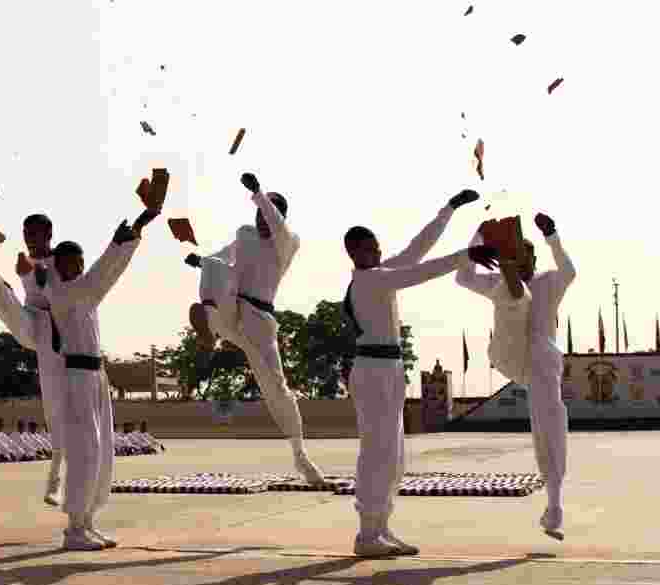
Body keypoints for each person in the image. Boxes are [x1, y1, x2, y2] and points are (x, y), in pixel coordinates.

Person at [343, 188, 496, 557]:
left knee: (395, 453)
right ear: (352, 253)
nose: (376, 253)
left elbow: (417, 249)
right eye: (368, 249)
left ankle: (380, 527)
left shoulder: (379, 273)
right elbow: (423, 271)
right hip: (373, 368)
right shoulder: (368, 280)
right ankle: (366, 533)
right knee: (377, 450)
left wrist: (450, 209)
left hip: (390, 367)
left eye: (376, 248)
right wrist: (465, 254)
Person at [185, 173, 324, 485]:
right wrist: (201, 262)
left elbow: (276, 223)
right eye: (258, 213)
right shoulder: (245, 235)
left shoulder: (286, 243)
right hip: (233, 307)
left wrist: (259, 193)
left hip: (259, 319)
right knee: (215, 268)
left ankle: (300, 455)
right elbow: (223, 256)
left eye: (267, 213)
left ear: (279, 217)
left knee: (276, 387)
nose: (261, 219)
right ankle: (211, 327)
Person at [40, 207, 158, 550]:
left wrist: (127, 237)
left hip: (95, 375)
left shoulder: (83, 293)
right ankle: (74, 529)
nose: (77, 267)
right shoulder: (64, 293)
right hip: (75, 376)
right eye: (71, 262)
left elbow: (105, 274)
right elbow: (105, 274)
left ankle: (87, 521)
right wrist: (122, 239)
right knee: (84, 450)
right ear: (60, 265)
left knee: (102, 450)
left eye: (79, 261)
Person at [456, 212, 575, 539]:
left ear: (532, 258)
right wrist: (476, 240)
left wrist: (553, 236)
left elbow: (570, 271)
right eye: (514, 256)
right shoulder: (496, 281)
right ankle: (514, 294)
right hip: (509, 353)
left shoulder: (549, 282)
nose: (524, 260)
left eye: (526, 256)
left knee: (550, 421)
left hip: (539, 360)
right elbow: (463, 278)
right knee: (510, 295)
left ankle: (554, 507)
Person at [0, 209, 68, 503]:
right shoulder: (24, 261)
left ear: (48, 235)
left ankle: (56, 483)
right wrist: (13, 282)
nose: (29, 239)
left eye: (35, 234)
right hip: (33, 322)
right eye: (26, 234)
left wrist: (37, 276)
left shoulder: (62, 261)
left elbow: (67, 296)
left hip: (59, 333)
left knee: (56, 409)